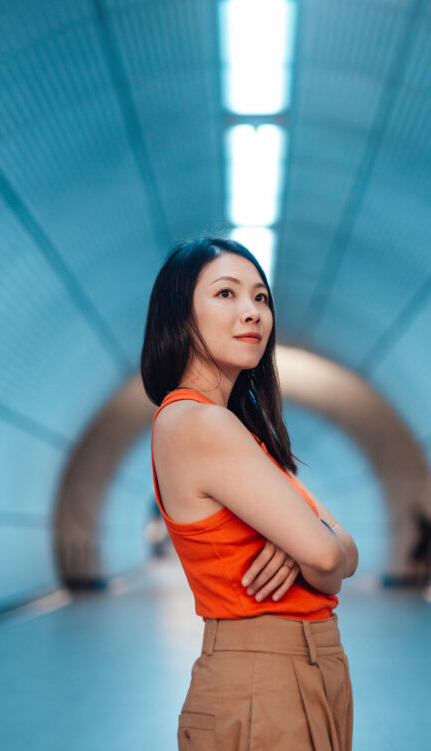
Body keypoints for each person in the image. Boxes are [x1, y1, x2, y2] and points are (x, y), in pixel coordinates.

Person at [142, 235, 358, 750]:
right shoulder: (197, 421)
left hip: (302, 671)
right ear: (179, 315)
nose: (252, 312)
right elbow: (330, 554)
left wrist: (304, 543)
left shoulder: (242, 432)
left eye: (261, 297)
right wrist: (311, 541)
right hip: (264, 680)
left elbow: (346, 555)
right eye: (226, 294)